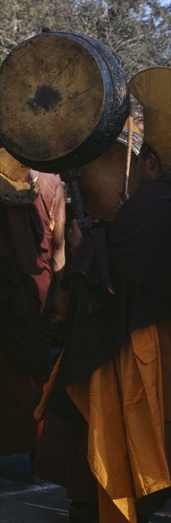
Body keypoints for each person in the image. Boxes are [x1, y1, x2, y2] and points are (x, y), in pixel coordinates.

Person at [35, 66, 171, 523]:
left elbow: (111, 276)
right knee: (153, 433)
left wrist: (81, 246)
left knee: (117, 431)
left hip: (130, 342)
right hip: (165, 338)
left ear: (149, 161)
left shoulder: (150, 206)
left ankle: (113, 504)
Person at [0, 148, 65, 471]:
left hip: (9, 290)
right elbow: (59, 248)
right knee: (32, 375)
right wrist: (56, 295)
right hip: (38, 292)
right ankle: (34, 451)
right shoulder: (54, 182)